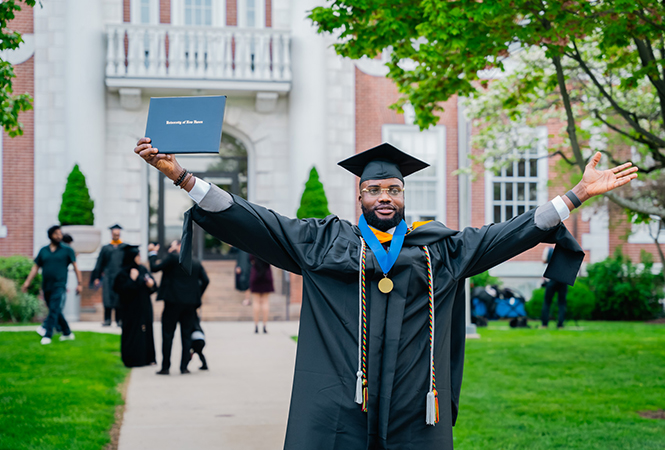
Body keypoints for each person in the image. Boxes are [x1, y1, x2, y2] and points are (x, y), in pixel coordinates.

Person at [135, 138, 637, 449]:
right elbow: (255, 220)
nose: (384, 198)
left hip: (414, 406)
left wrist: (577, 195)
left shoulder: (439, 249)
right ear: (360, 196)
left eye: (392, 190)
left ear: (403, 195)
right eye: (374, 191)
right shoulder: (324, 243)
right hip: (341, 404)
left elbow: (510, 232)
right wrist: (181, 177)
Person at [148, 240, 209, 375]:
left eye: (173, 245)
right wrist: (196, 295)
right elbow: (206, 280)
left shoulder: (173, 258)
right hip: (190, 305)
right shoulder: (196, 262)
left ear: (181, 246)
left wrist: (152, 253)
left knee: (167, 334)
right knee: (186, 335)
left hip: (172, 302)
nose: (171, 248)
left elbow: (154, 268)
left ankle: (165, 367)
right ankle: (184, 367)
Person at [23, 225, 82, 345]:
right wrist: (27, 282)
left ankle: (47, 334)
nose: (59, 236)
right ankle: (67, 333)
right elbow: (35, 267)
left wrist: (80, 283)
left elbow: (76, 267)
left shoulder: (67, 250)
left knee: (54, 308)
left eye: (60, 233)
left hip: (59, 284)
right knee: (54, 309)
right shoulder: (43, 250)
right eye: (56, 233)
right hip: (46, 285)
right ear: (50, 235)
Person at [113, 245, 157, 367]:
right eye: (137, 256)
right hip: (130, 308)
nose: (139, 258)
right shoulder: (123, 273)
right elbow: (120, 290)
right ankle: (132, 359)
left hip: (144, 306)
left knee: (147, 331)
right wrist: (132, 280)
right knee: (132, 332)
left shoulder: (142, 269)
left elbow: (152, 287)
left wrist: (151, 285)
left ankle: (148, 358)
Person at [91, 224, 125, 326]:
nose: (116, 236)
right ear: (111, 234)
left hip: (120, 277)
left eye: (117, 234)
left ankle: (119, 320)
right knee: (107, 298)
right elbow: (99, 263)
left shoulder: (123, 248)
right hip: (108, 277)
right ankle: (107, 320)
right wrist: (97, 277)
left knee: (119, 298)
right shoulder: (106, 248)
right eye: (114, 234)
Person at [541, 247, 568, 329]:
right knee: (562, 303)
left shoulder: (548, 250)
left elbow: (544, 261)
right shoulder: (566, 251)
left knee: (547, 302)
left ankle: (544, 324)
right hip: (563, 278)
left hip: (552, 278)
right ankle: (560, 325)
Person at [249, 254, 274, 334]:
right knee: (265, 302)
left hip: (255, 274)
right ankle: (264, 326)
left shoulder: (252, 247)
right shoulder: (268, 247)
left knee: (256, 301)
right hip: (267, 275)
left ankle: (256, 326)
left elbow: (250, 259)